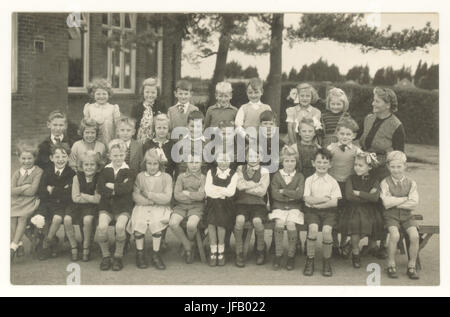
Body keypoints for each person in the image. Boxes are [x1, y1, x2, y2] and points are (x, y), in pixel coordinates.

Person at [359, 87, 406, 259]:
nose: (373, 103)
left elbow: (400, 155)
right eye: (374, 100)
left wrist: (384, 163)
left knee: (381, 206)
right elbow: (361, 141)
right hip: (366, 166)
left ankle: (383, 245)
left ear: (387, 104)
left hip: (383, 171)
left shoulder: (396, 125)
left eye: (377, 101)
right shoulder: (369, 118)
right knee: (367, 204)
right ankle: (371, 244)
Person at [127, 148, 173, 270]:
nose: (152, 167)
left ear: (160, 164)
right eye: (149, 164)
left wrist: (149, 194)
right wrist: (149, 201)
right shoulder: (140, 176)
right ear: (145, 164)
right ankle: (140, 253)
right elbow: (136, 195)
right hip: (142, 205)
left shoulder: (166, 177)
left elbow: (167, 198)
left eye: (155, 164)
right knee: (140, 222)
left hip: (160, 207)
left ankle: (156, 254)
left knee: (156, 222)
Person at [96, 139, 136, 272]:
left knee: (120, 227)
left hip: (123, 206)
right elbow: (100, 188)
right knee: (102, 227)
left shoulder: (129, 171)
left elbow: (128, 189)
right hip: (106, 205)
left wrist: (112, 186)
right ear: (109, 156)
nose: (118, 158)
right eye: (115, 155)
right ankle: (106, 256)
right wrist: (118, 187)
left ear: (125, 155)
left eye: (120, 155)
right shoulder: (105, 170)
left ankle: (118, 256)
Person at [31, 142, 75, 260]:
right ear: (51, 158)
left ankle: (47, 244)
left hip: (63, 205)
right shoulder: (47, 172)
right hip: (47, 204)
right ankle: (50, 243)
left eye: (64, 156)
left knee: (57, 218)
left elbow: (70, 194)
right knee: (40, 217)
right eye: (57, 157)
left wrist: (53, 190)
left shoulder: (71, 173)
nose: (60, 160)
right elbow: (41, 191)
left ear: (68, 157)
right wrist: (60, 190)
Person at [380, 151, 420, 280]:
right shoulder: (385, 182)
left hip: (407, 215)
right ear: (388, 167)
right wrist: (404, 198)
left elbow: (413, 203)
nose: (396, 170)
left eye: (399, 166)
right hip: (390, 216)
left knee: (414, 236)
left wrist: (395, 201)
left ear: (405, 166)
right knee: (395, 235)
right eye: (392, 167)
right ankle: (391, 264)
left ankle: (412, 265)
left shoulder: (411, 183)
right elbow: (386, 203)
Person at [303, 148, 342, 277]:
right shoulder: (309, 180)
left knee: (326, 231)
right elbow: (307, 199)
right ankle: (310, 260)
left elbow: (334, 202)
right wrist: (323, 199)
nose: (322, 165)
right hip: (312, 212)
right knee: (313, 229)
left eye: (325, 162)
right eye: (319, 162)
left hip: (329, 212)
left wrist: (318, 204)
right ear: (313, 163)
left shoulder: (333, 181)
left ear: (330, 164)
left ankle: (326, 261)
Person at [340, 152, 382, 269]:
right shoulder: (351, 178)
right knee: (355, 224)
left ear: (369, 167)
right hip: (353, 208)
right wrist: (367, 196)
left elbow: (375, 198)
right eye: (356, 165)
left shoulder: (374, 180)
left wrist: (359, 193)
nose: (357, 167)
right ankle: (355, 253)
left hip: (370, 210)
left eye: (360, 165)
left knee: (372, 223)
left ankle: (349, 245)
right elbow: (349, 196)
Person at [327, 116, 360, 257]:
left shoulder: (357, 151)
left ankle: (343, 243)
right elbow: (325, 164)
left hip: (348, 185)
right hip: (333, 184)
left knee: (346, 216)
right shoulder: (330, 148)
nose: (345, 137)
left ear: (354, 136)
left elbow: (362, 165)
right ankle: (334, 244)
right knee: (334, 215)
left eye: (348, 134)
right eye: (342, 133)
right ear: (337, 134)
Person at [269, 146, 305, 270]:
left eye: (292, 161)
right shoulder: (277, 176)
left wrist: (284, 190)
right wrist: (291, 193)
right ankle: (278, 254)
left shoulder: (300, 176)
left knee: (291, 224)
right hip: (279, 206)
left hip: (295, 207)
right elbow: (274, 194)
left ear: (296, 162)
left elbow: (300, 195)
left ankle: (291, 255)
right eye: (287, 161)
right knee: (279, 224)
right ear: (282, 162)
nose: (290, 164)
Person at [234, 149, 270, 267]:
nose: (253, 158)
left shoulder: (264, 171)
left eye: (256, 155)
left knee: (257, 221)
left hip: (258, 204)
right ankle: (239, 251)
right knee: (239, 220)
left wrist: (246, 186)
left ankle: (260, 249)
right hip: (242, 203)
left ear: (260, 158)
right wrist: (256, 184)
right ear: (246, 157)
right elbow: (239, 185)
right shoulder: (240, 168)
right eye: (250, 155)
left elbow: (262, 191)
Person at [169, 154, 206, 264]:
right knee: (173, 223)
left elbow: (201, 196)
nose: (194, 165)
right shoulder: (181, 177)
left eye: (197, 162)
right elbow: (177, 195)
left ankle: (190, 241)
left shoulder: (203, 178)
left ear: (201, 163)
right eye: (191, 162)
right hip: (181, 206)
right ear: (186, 164)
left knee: (191, 225)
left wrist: (187, 193)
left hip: (196, 207)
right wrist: (193, 196)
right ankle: (188, 245)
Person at [10, 140, 43, 262]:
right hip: (17, 201)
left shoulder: (38, 171)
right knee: (12, 218)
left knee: (22, 217)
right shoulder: (16, 173)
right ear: (19, 158)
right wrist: (24, 187)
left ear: (34, 158)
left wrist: (18, 190)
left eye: (29, 158)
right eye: (23, 158)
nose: (26, 161)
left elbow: (32, 192)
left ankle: (13, 247)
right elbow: (10, 191)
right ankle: (19, 244)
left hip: (31, 201)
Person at [204, 152, 238, 266]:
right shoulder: (211, 172)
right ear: (216, 161)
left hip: (227, 206)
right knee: (211, 224)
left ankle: (221, 249)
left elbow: (231, 192)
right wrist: (223, 191)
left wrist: (216, 189)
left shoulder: (234, 174)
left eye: (226, 160)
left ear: (230, 161)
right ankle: (213, 250)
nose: (223, 163)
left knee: (220, 224)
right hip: (212, 204)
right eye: (221, 160)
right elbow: (208, 191)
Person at [67, 150, 101, 262]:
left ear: (97, 166)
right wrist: (89, 198)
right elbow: (75, 198)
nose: (89, 167)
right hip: (76, 206)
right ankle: (74, 246)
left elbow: (97, 199)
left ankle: (86, 246)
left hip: (91, 208)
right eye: (86, 164)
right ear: (81, 166)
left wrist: (83, 195)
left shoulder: (99, 178)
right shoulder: (77, 178)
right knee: (67, 219)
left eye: (92, 165)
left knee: (87, 220)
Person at [83, 78, 121, 146]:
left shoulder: (113, 108)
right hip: (94, 140)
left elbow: (118, 125)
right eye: (98, 94)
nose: (101, 96)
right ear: (93, 95)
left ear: (108, 94)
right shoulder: (89, 107)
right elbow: (85, 125)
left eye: (104, 94)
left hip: (109, 138)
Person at [131, 77, 166, 144]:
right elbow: (133, 125)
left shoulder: (161, 106)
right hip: (139, 139)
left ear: (157, 93)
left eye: (153, 92)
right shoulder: (136, 107)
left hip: (156, 139)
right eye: (147, 92)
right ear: (143, 92)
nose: (150, 95)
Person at [142, 114, 176, 178]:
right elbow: (144, 164)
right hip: (150, 179)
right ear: (154, 128)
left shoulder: (173, 145)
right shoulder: (147, 144)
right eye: (159, 128)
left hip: (167, 179)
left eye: (164, 128)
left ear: (168, 129)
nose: (162, 130)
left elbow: (175, 166)